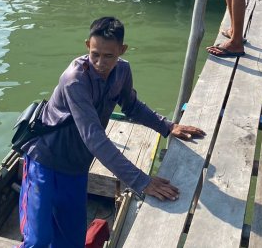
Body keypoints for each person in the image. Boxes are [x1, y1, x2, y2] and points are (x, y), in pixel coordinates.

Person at [18, 17, 205, 248]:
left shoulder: (122, 71)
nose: (100, 62)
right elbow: (94, 138)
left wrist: (167, 126)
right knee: (37, 241)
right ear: (88, 45)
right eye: (95, 54)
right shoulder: (74, 80)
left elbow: (132, 106)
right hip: (43, 162)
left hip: (75, 168)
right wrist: (140, 181)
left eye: (109, 56)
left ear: (122, 50)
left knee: (71, 243)